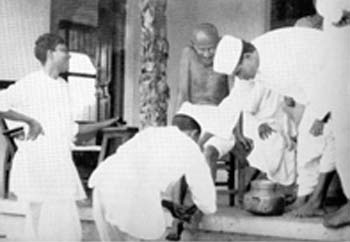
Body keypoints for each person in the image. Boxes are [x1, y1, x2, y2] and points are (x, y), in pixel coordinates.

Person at [0, 33, 119, 241]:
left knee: (64, 223)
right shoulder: (31, 83)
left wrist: (104, 124)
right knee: (38, 220)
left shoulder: (63, 87)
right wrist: (30, 121)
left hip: (59, 161)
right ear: (50, 54)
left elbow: (71, 130)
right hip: (37, 161)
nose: (69, 56)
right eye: (64, 51)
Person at [88, 107, 217, 241]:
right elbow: (206, 199)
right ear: (194, 134)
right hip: (129, 197)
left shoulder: (149, 133)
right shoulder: (191, 147)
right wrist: (203, 208)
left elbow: (138, 174)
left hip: (102, 185)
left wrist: (168, 205)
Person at [211, 35, 297, 186]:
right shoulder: (245, 79)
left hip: (287, 118)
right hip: (259, 124)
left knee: (292, 145)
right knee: (270, 144)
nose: (240, 77)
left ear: (247, 57)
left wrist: (290, 98)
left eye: (238, 72)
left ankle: (292, 191)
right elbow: (240, 106)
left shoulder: (275, 62)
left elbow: (290, 95)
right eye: (236, 75)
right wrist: (244, 130)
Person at [176, 22, 233, 180]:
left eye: (211, 49)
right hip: (193, 112)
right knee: (178, 151)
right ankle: (175, 201)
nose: (207, 54)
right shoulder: (188, 54)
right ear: (193, 46)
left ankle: (206, 203)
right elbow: (183, 93)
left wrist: (238, 131)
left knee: (209, 151)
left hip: (219, 115)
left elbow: (235, 96)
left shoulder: (226, 52)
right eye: (202, 49)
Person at [315, 0, 350, 228]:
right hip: (343, 83)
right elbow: (333, 65)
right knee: (343, 139)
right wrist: (321, 111)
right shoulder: (332, 26)